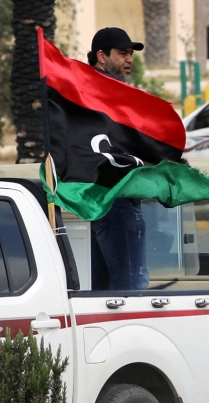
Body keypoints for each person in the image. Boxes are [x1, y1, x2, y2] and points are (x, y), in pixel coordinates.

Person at [87, 27, 155, 290]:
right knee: (131, 291)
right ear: (102, 56)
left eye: (131, 54)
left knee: (106, 294)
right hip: (118, 198)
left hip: (103, 200)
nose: (129, 59)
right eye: (122, 53)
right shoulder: (105, 94)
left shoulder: (92, 91)